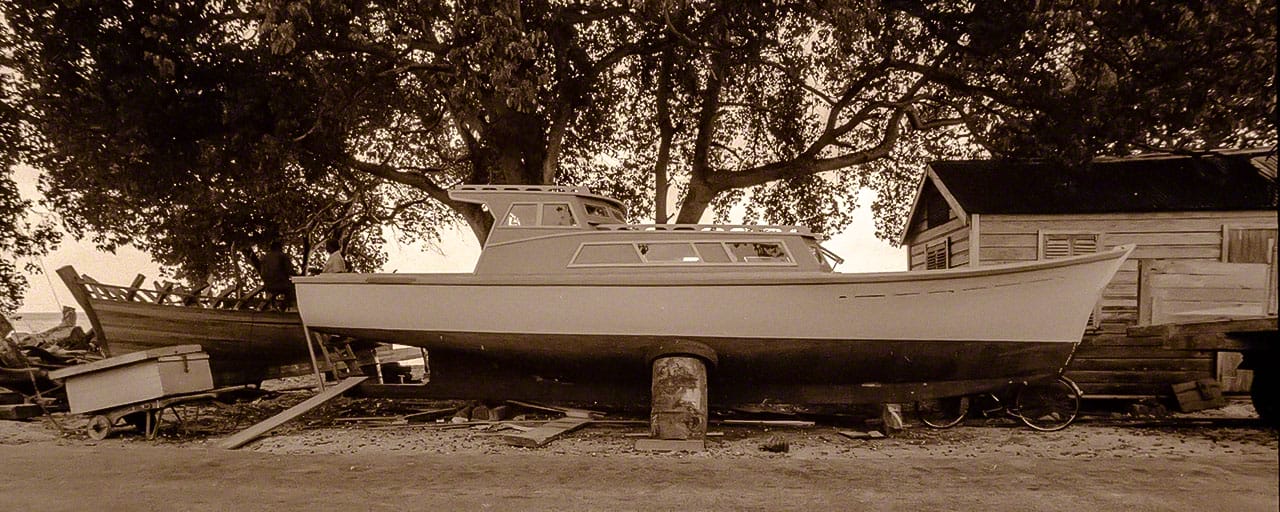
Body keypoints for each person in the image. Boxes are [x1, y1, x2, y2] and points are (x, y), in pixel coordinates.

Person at [244, 240, 296, 309]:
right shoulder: (282, 256)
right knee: (294, 288)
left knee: (285, 288)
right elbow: (290, 271)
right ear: (279, 248)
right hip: (281, 284)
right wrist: (299, 276)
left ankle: (278, 306)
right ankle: (284, 306)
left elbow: (262, 271)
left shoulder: (264, 257)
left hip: (268, 284)